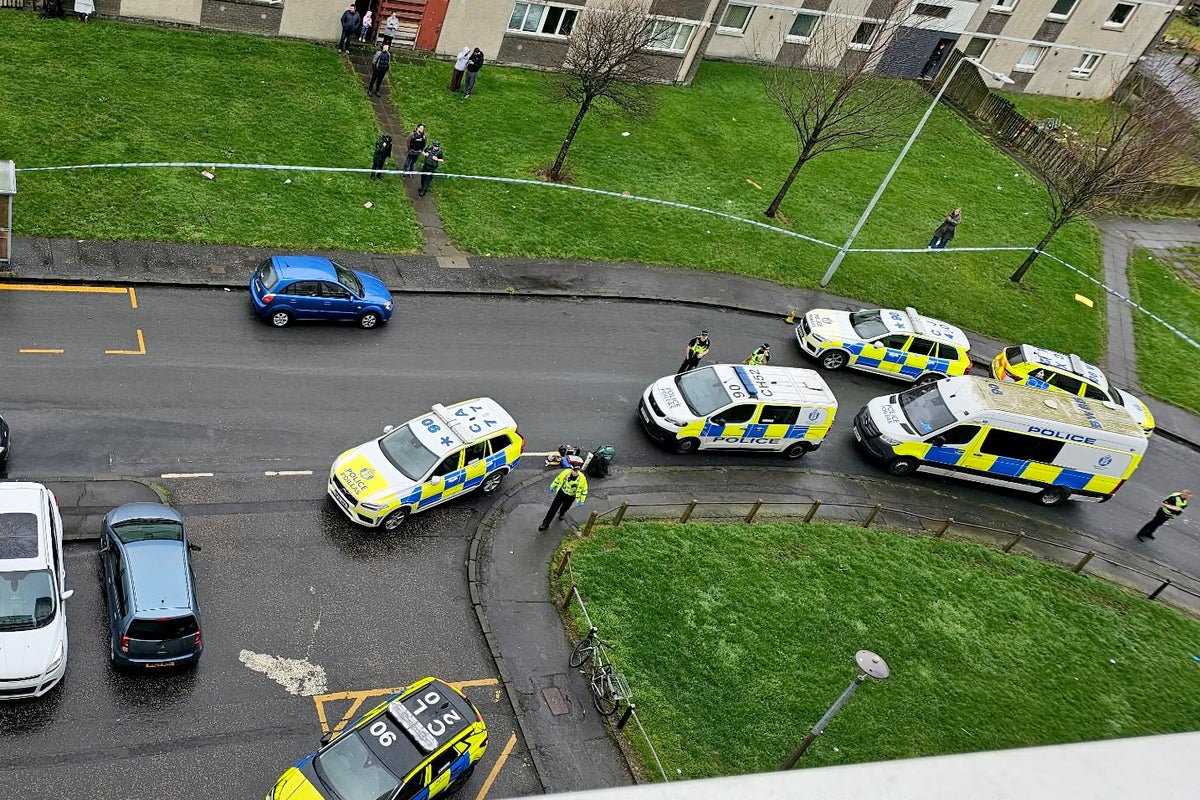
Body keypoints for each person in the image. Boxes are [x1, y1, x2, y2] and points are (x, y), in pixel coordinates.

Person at [539, 456, 589, 531]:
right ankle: (545, 523)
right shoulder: (566, 473)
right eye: (574, 470)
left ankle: (562, 514)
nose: (575, 472)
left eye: (576, 471)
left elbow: (584, 490)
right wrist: (553, 486)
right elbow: (558, 479)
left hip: (571, 496)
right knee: (553, 508)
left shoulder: (582, 478)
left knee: (565, 507)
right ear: (571, 469)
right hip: (562, 493)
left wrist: (582, 500)